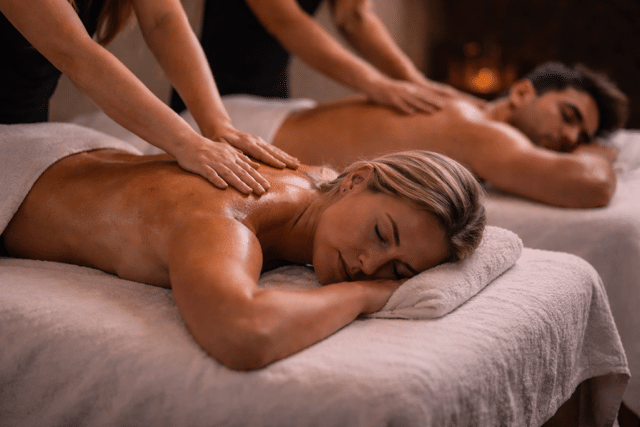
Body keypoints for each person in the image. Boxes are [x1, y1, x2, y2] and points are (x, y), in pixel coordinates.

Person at [3, 146, 486, 370]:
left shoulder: (318, 182)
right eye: (381, 235)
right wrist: (367, 295)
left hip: (69, 146)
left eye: (399, 270)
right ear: (357, 179)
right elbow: (243, 333)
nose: (368, 265)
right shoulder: (228, 215)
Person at [0, 0, 299, 195]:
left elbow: (163, 20)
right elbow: (76, 54)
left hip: (26, 128)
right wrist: (186, 142)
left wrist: (218, 126)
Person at [265, 62, 628, 208]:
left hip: (268, 116)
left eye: (582, 138)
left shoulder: (463, 108)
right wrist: (596, 154)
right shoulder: (482, 131)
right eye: (568, 116)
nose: (571, 138)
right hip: (256, 138)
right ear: (521, 93)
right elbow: (592, 185)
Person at [170, 0, 473, 116]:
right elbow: (284, 20)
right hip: (209, 96)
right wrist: (376, 84)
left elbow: (354, 17)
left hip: (272, 96)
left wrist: (417, 82)